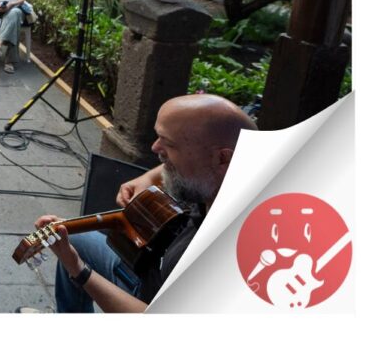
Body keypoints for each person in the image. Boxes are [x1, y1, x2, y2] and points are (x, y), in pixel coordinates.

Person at [33, 94, 257, 313]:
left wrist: (78, 269)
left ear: (223, 159)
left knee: (75, 254)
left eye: (168, 143)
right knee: (76, 238)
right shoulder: (240, 167)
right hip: (151, 269)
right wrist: (149, 178)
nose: (154, 147)